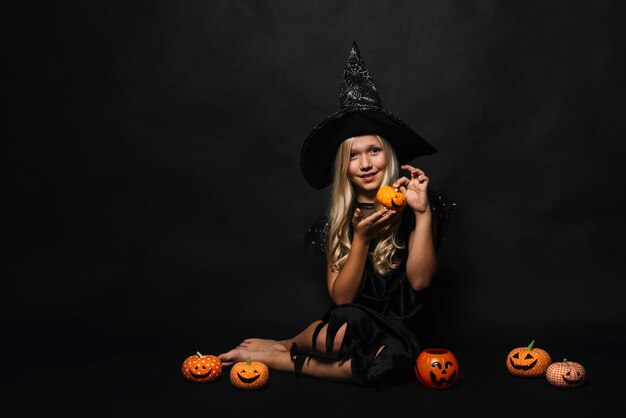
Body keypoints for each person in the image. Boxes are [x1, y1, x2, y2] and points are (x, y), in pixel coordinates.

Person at [218, 42, 454, 387]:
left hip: (404, 331)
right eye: (354, 156)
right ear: (345, 167)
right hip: (354, 323)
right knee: (344, 331)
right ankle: (289, 344)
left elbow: (420, 282)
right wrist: (360, 238)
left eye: (374, 150)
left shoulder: (416, 204)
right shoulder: (337, 223)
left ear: (387, 156)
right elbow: (341, 298)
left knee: (388, 366)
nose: (366, 163)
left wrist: (422, 215)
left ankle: (280, 358)